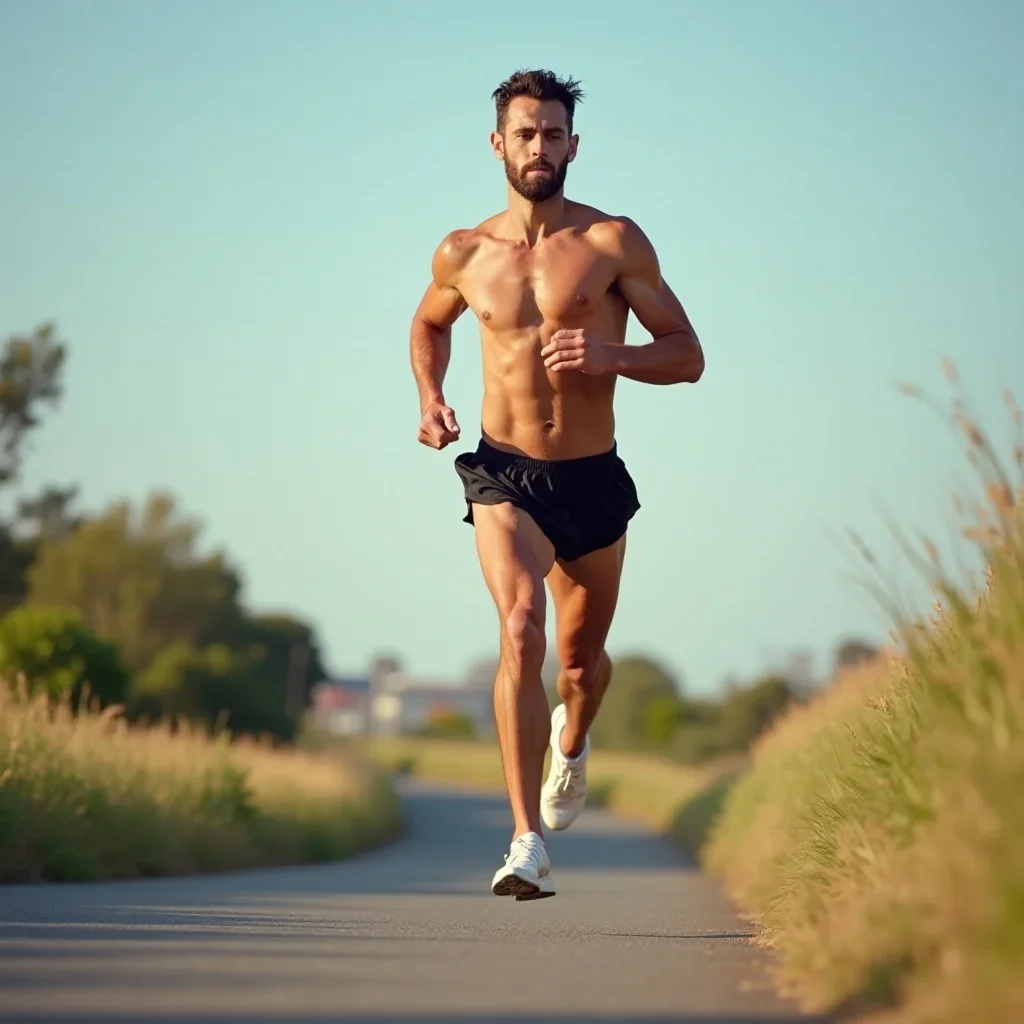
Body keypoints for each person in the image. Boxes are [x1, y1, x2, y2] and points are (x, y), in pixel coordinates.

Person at [408, 68, 705, 900]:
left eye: (553, 134)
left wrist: (614, 355)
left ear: (574, 145)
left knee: (578, 665)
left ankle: (573, 743)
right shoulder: (462, 252)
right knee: (521, 625)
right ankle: (524, 841)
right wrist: (430, 395)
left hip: (591, 477)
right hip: (503, 471)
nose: (540, 147)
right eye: (525, 132)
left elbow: (688, 353)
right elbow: (429, 323)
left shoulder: (613, 244)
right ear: (498, 143)